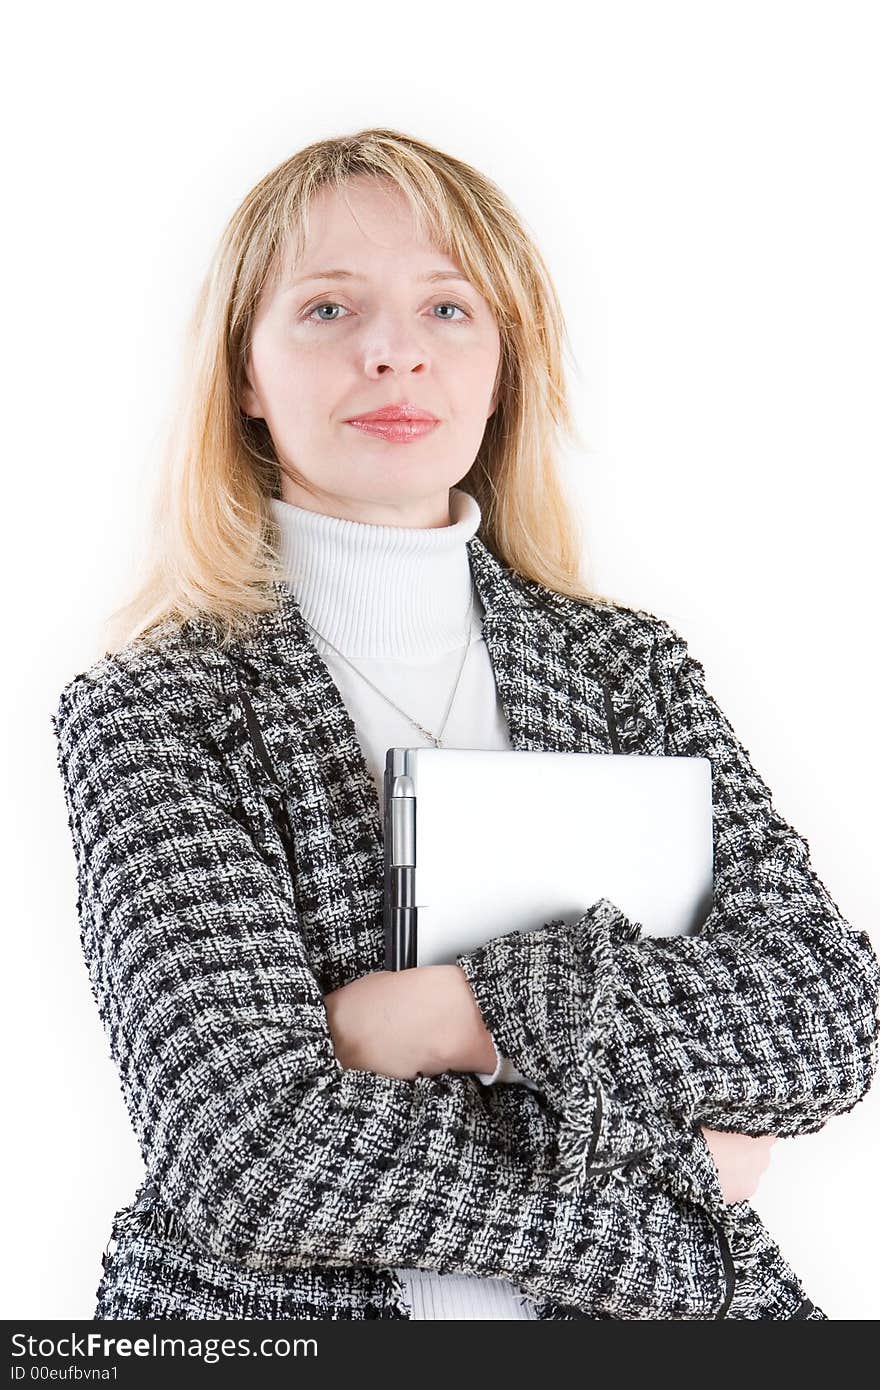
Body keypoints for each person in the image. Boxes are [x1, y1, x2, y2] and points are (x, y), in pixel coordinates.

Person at [51, 128, 879, 1321]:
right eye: (329, 309)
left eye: (447, 311)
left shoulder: (625, 672)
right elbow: (252, 1157)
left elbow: (820, 1012)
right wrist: (675, 1196)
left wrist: (457, 1013)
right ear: (243, 373)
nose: (393, 354)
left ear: (502, 365)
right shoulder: (153, 712)